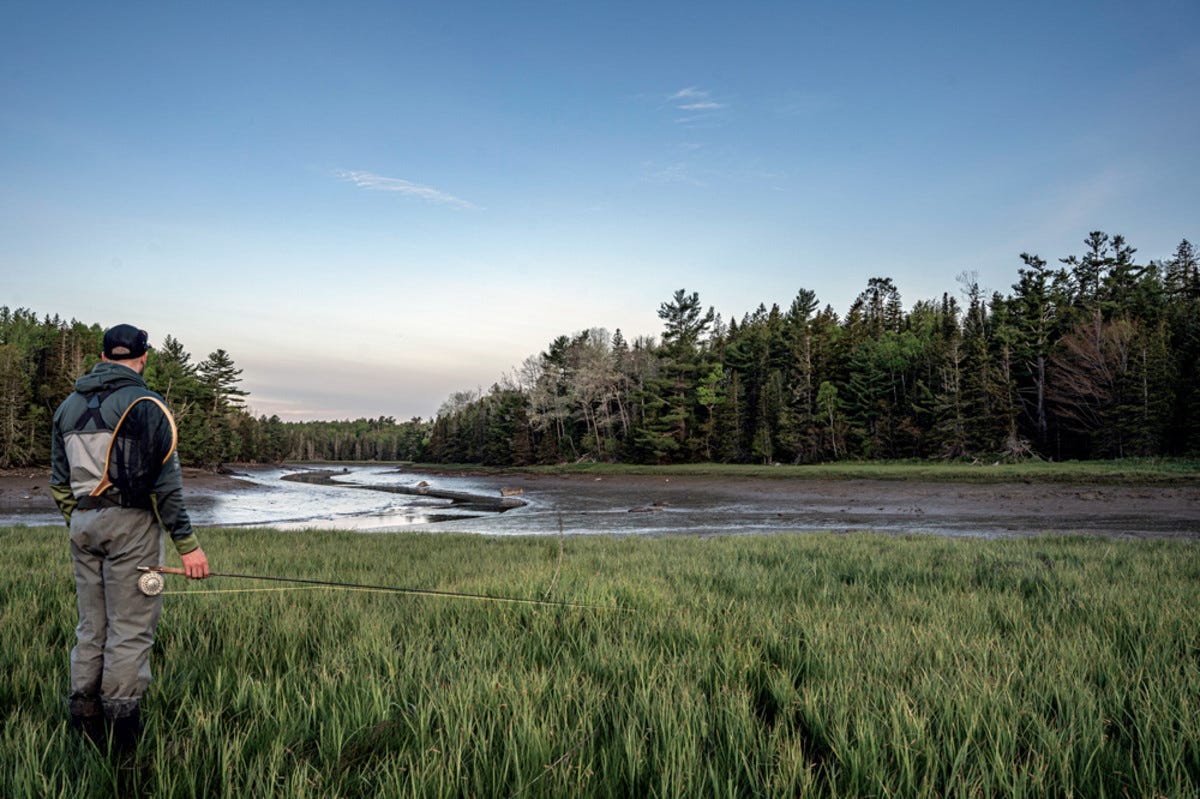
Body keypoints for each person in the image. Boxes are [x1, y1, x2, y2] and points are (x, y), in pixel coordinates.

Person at [50, 323, 210, 753]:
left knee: (92, 628)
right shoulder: (148, 404)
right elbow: (167, 488)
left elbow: (59, 483)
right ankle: (122, 747)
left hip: (82, 525)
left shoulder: (67, 408)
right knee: (130, 631)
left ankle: (84, 729)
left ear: (104, 357)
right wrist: (189, 547)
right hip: (132, 526)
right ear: (142, 359)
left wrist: (81, 522)